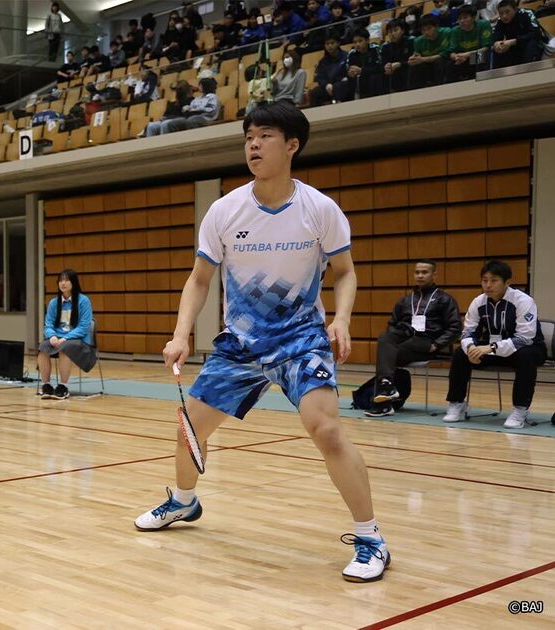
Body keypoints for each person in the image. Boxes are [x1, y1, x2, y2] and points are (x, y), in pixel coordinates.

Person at [134, 101, 391, 584]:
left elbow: (346, 272)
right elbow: (199, 279)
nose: (253, 144)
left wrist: (342, 319)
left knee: (327, 430)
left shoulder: (319, 210)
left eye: (266, 135)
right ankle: (185, 503)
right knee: (191, 427)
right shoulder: (225, 210)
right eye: (249, 136)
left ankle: (371, 537)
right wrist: (179, 333)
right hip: (242, 344)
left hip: (301, 340)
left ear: (291, 145)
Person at [444, 260, 547, 429]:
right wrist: (471, 349)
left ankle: (520, 409)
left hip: (527, 348)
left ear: (507, 282)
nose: (488, 285)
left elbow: (525, 338)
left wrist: (491, 348)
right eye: (484, 280)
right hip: (492, 349)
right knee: (460, 354)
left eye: (494, 280)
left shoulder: (523, 301)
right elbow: (468, 332)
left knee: (526, 355)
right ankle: (457, 403)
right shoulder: (478, 302)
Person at [367, 260, 460, 417]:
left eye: (425, 272)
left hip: (427, 343)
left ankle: (383, 403)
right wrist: (397, 333)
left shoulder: (445, 299)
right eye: (417, 272)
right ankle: (387, 387)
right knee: (385, 339)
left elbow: (455, 328)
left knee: (386, 355)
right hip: (406, 342)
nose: (420, 276)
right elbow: (392, 325)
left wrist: (437, 345)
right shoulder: (404, 301)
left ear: (434, 275)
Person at [37, 269, 96, 401]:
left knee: (65, 348)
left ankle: (63, 387)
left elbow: (84, 326)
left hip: (78, 340)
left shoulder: (83, 301)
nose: (63, 283)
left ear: (73, 282)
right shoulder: (54, 303)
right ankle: (46, 385)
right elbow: (48, 324)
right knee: (43, 348)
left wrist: (65, 338)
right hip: (57, 338)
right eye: (60, 280)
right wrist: (51, 336)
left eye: (66, 280)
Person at [144, 74, 220, 136]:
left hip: (203, 117)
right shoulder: (198, 98)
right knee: (151, 126)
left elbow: (210, 109)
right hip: (191, 116)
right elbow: (191, 106)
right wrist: (187, 108)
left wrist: (195, 109)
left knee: (167, 124)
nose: (198, 87)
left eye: (200, 85)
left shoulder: (212, 97)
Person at [491, 0, 544, 69]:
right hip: (514, 46)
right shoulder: (500, 21)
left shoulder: (526, 13)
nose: (504, 16)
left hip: (532, 44)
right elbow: (496, 37)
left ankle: (529, 71)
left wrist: (513, 41)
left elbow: (536, 33)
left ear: (515, 9)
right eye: (501, 13)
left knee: (531, 44)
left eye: (507, 12)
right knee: (498, 50)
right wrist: (496, 44)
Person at [445, 5, 492, 82]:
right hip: (462, 58)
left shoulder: (483, 25)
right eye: (459, 18)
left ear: (473, 17)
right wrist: (456, 57)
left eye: (465, 17)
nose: (462, 21)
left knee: (480, 58)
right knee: (449, 66)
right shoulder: (455, 31)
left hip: (478, 55)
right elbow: (452, 52)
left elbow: (486, 48)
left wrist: (466, 55)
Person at [338, 27, 384, 101]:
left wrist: (362, 71)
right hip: (358, 80)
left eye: (360, 41)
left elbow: (381, 68)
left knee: (375, 77)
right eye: (355, 42)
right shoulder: (352, 54)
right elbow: (347, 71)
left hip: (373, 78)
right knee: (342, 84)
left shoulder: (376, 49)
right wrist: (350, 73)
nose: (357, 44)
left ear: (367, 40)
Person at [407, 15, 451, 89]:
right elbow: (417, 56)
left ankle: (441, 88)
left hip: (444, 62)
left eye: (429, 28)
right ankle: (412, 91)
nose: (426, 32)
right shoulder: (418, 41)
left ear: (436, 26)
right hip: (429, 66)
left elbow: (448, 53)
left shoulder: (447, 33)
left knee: (441, 61)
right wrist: (413, 59)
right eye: (423, 30)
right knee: (414, 67)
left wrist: (423, 59)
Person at [309, 35, 348, 106]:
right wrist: (326, 85)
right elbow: (320, 77)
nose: (329, 46)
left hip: (342, 85)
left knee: (338, 87)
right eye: (327, 44)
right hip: (328, 87)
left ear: (338, 43)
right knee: (314, 92)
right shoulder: (323, 61)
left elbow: (350, 71)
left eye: (332, 43)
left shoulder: (346, 56)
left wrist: (346, 78)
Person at [381, 19, 415, 93]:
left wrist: (400, 64)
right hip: (394, 72)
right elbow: (383, 63)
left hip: (408, 68)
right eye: (390, 32)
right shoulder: (385, 47)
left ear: (402, 31)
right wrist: (386, 66)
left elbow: (414, 60)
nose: (392, 34)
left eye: (395, 30)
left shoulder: (411, 41)